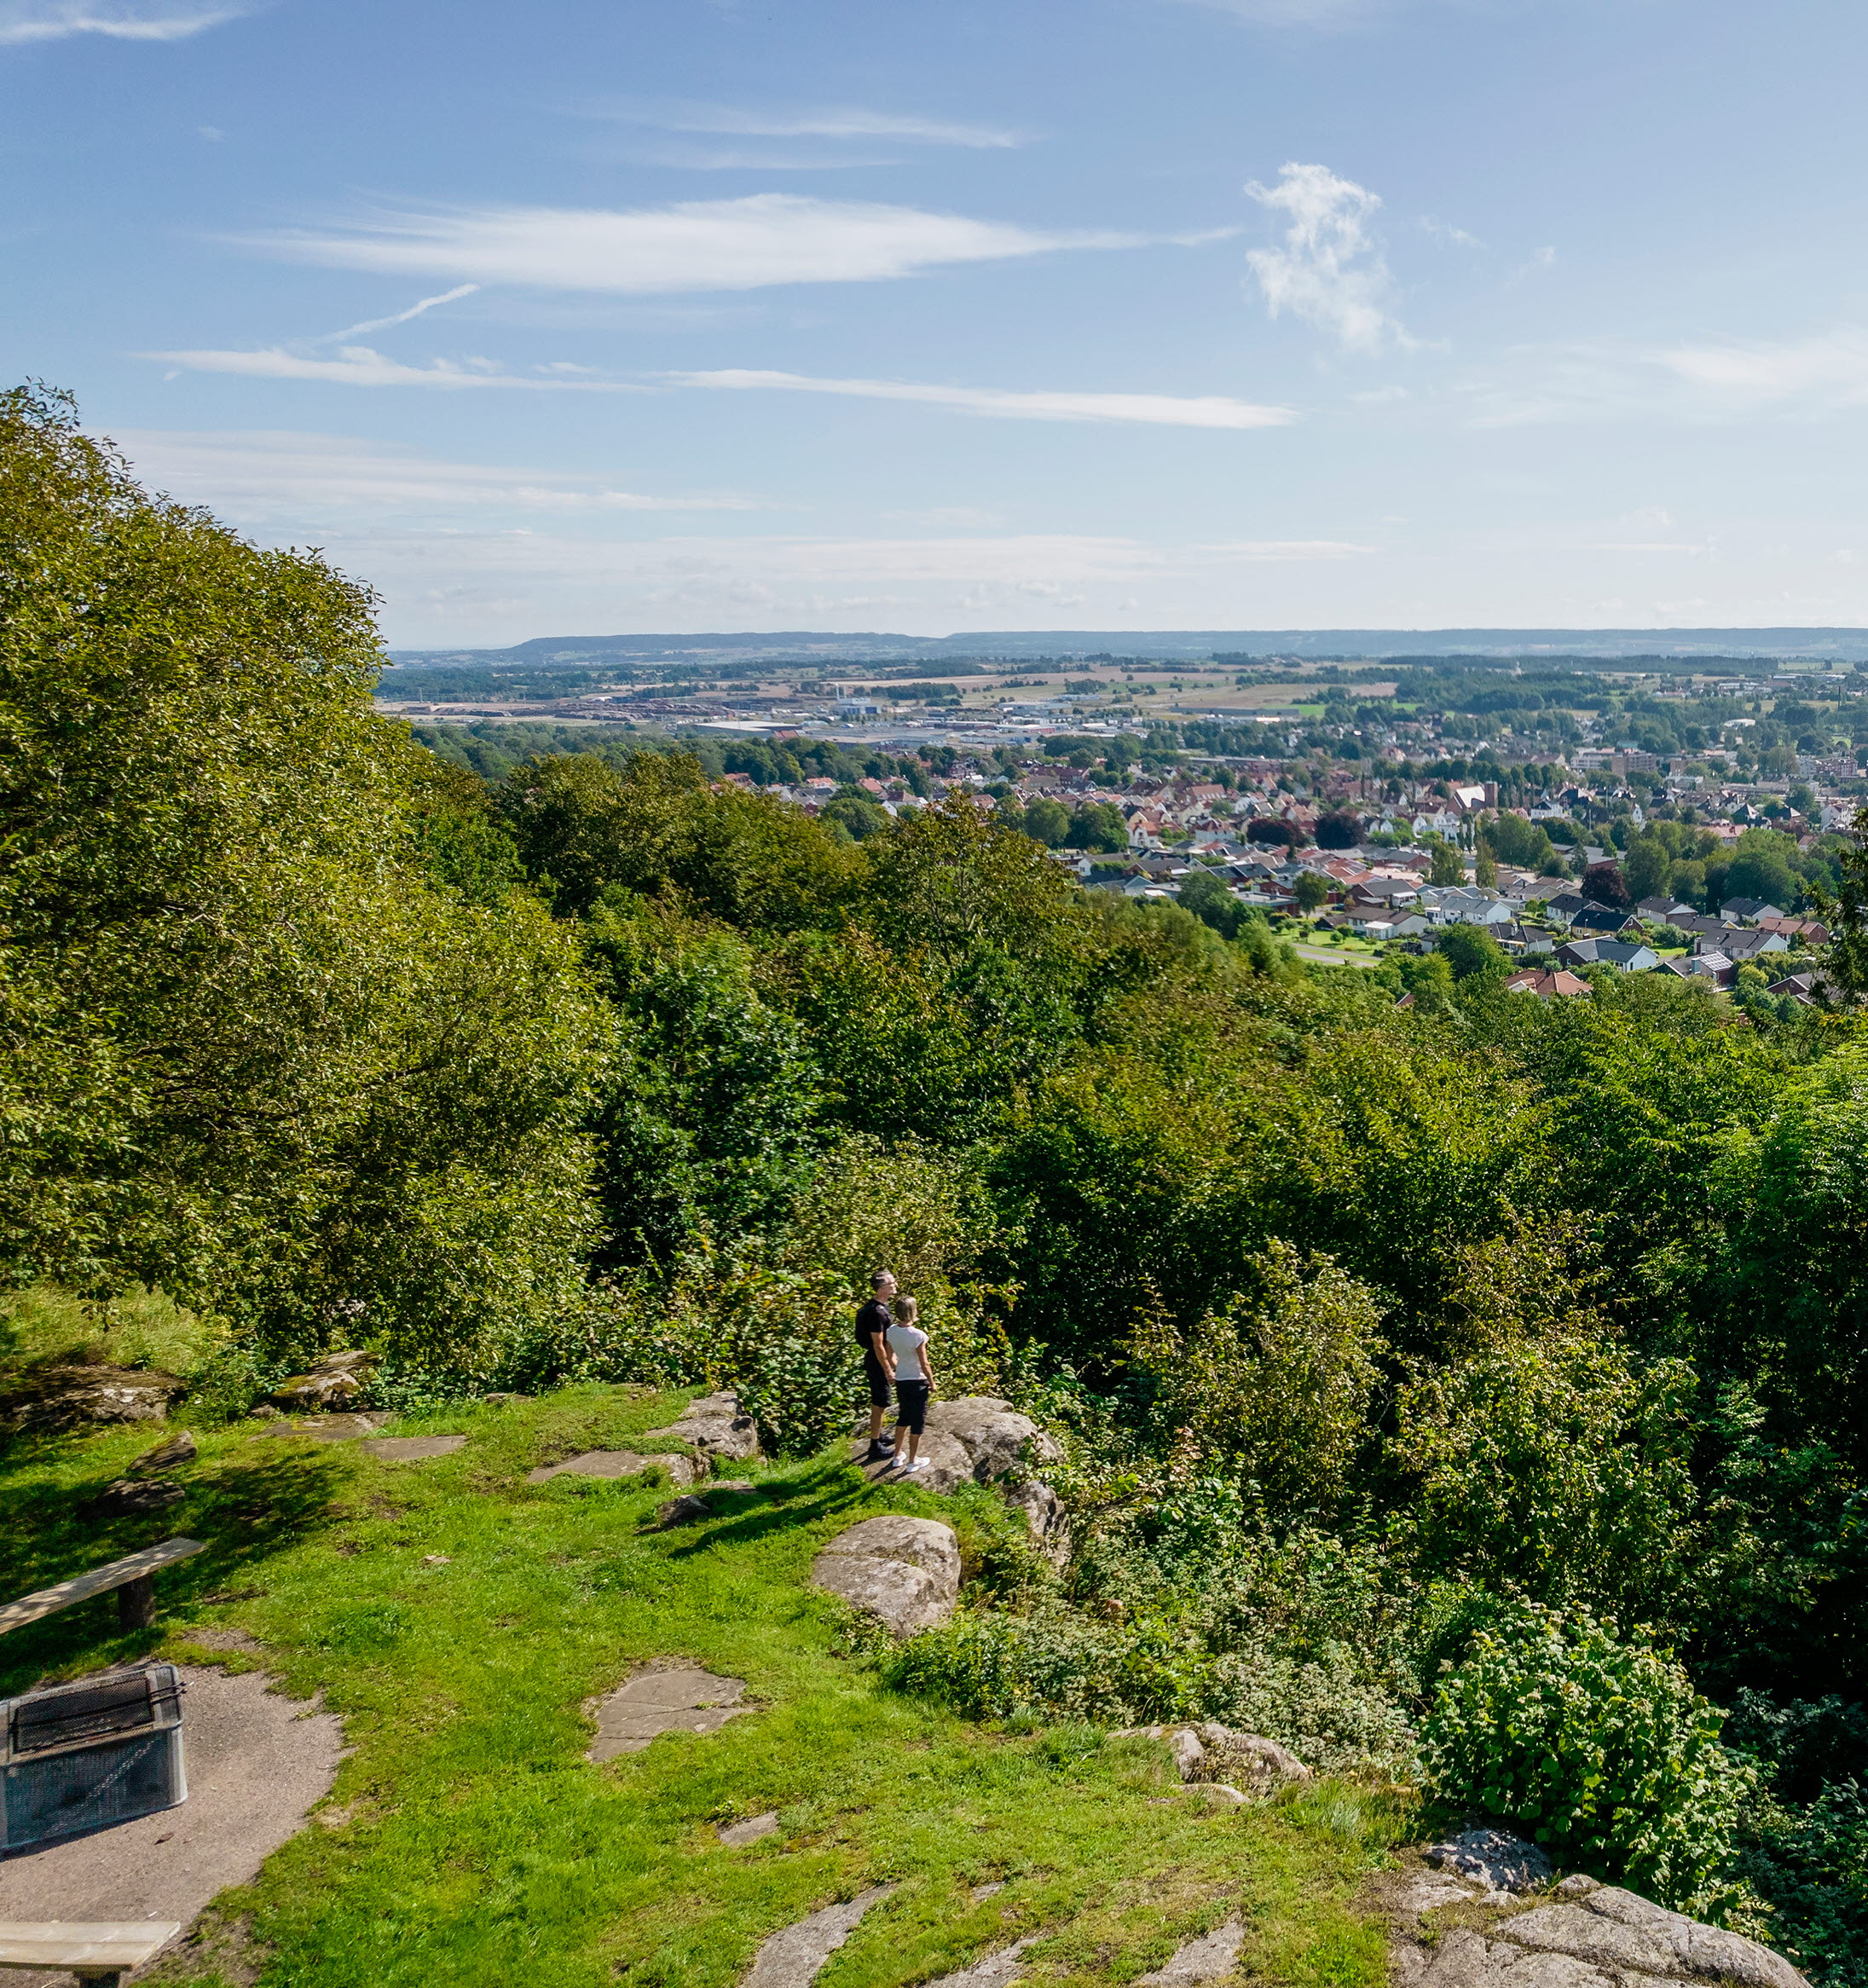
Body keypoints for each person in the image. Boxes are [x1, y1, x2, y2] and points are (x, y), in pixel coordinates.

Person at [883, 1294, 933, 1474]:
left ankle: (897, 1456)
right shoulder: (918, 1335)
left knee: (903, 1416)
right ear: (913, 1312)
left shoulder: (891, 1331)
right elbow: (924, 1363)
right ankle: (913, 1461)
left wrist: (899, 1368)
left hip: (902, 1380)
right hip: (918, 1380)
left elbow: (890, 1356)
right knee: (917, 1421)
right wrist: (932, 1382)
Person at [857, 1269, 898, 1464]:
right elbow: (878, 1344)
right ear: (881, 1288)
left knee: (882, 1401)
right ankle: (875, 1446)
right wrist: (888, 1368)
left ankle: (879, 1435)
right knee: (880, 1402)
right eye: (891, 1283)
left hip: (879, 1359)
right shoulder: (876, 1313)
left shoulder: (880, 1307)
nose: (895, 1285)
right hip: (877, 1361)